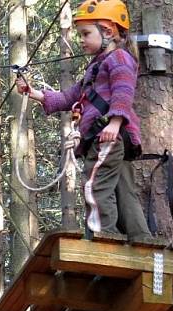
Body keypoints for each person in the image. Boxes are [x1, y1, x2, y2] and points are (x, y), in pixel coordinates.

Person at [16, 0, 150, 240]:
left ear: (108, 31)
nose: (81, 40)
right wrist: (33, 93)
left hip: (107, 137)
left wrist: (115, 123)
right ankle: (141, 239)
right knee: (122, 189)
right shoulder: (95, 69)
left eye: (86, 33)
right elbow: (68, 97)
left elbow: (123, 91)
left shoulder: (119, 58)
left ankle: (103, 239)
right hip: (107, 137)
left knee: (95, 186)